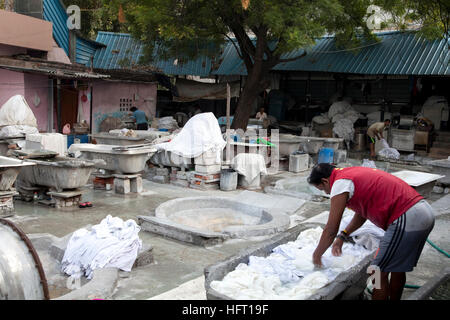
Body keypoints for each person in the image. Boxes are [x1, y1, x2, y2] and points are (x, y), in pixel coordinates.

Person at [307, 163, 435, 300]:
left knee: (376, 271)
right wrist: (343, 235)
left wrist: (317, 255)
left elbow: (331, 229)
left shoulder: (339, 183)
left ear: (325, 181)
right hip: (422, 212)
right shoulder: (350, 173)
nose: (326, 193)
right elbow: (362, 214)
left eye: (323, 189)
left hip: (407, 217)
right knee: (397, 268)